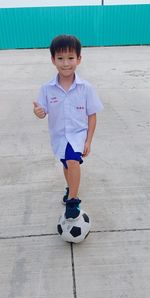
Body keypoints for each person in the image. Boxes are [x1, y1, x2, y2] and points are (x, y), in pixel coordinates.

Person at [33, 34, 103, 220]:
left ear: (79, 59)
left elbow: (92, 115)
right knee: (66, 164)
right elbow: (42, 110)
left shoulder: (86, 88)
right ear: (53, 59)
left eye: (71, 58)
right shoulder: (47, 89)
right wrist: (39, 113)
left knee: (72, 161)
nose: (66, 63)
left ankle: (73, 200)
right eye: (61, 58)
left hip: (78, 135)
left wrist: (88, 140)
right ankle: (70, 187)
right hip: (59, 136)